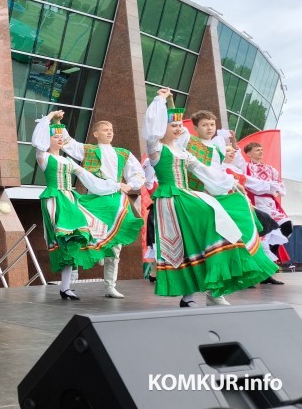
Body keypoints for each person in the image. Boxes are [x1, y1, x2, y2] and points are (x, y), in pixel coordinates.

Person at [143, 89, 272, 307]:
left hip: (187, 198)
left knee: (202, 238)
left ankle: (207, 292)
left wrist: (232, 184)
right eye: (172, 125)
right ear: (161, 127)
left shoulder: (185, 154)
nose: (177, 128)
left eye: (178, 126)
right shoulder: (156, 149)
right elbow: (150, 130)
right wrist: (159, 100)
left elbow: (207, 172)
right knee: (192, 240)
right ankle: (195, 295)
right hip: (171, 201)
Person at [32, 111, 128, 301]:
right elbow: (37, 140)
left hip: (71, 199)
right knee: (66, 238)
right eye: (54, 136)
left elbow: (90, 180)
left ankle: (66, 287)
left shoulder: (68, 161)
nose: (59, 139)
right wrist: (50, 117)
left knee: (77, 239)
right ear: (47, 139)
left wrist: (116, 185)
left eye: (61, 136)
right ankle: (69, 282)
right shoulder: (43, 157)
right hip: (55, 199)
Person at [61, 120, 145, 299]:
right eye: (105, 130)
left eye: (111, 130)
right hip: (95, 200)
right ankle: (97, 252)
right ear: (95, 134)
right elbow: (68, 143)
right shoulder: (89, 149)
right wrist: (57, 122)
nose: (109, 132)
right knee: (87, 233)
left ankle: (110, 285)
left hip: (116, 201)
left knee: (116, 246)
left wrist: (129, 185)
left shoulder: (123, 153)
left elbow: (138, 172)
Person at [241, 141, 293, 280]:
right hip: (255, 202)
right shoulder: (245, 167)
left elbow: (280, 186)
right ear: (248, 153)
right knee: (262, 235)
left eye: (261, 149)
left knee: (287, 225)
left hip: (271, 203)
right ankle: (262, 271)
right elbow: (250, 185)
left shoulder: (271, 169)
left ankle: (272, 255)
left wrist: (269, 186)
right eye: (257, 150)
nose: (261, 152)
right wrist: (269, 186)